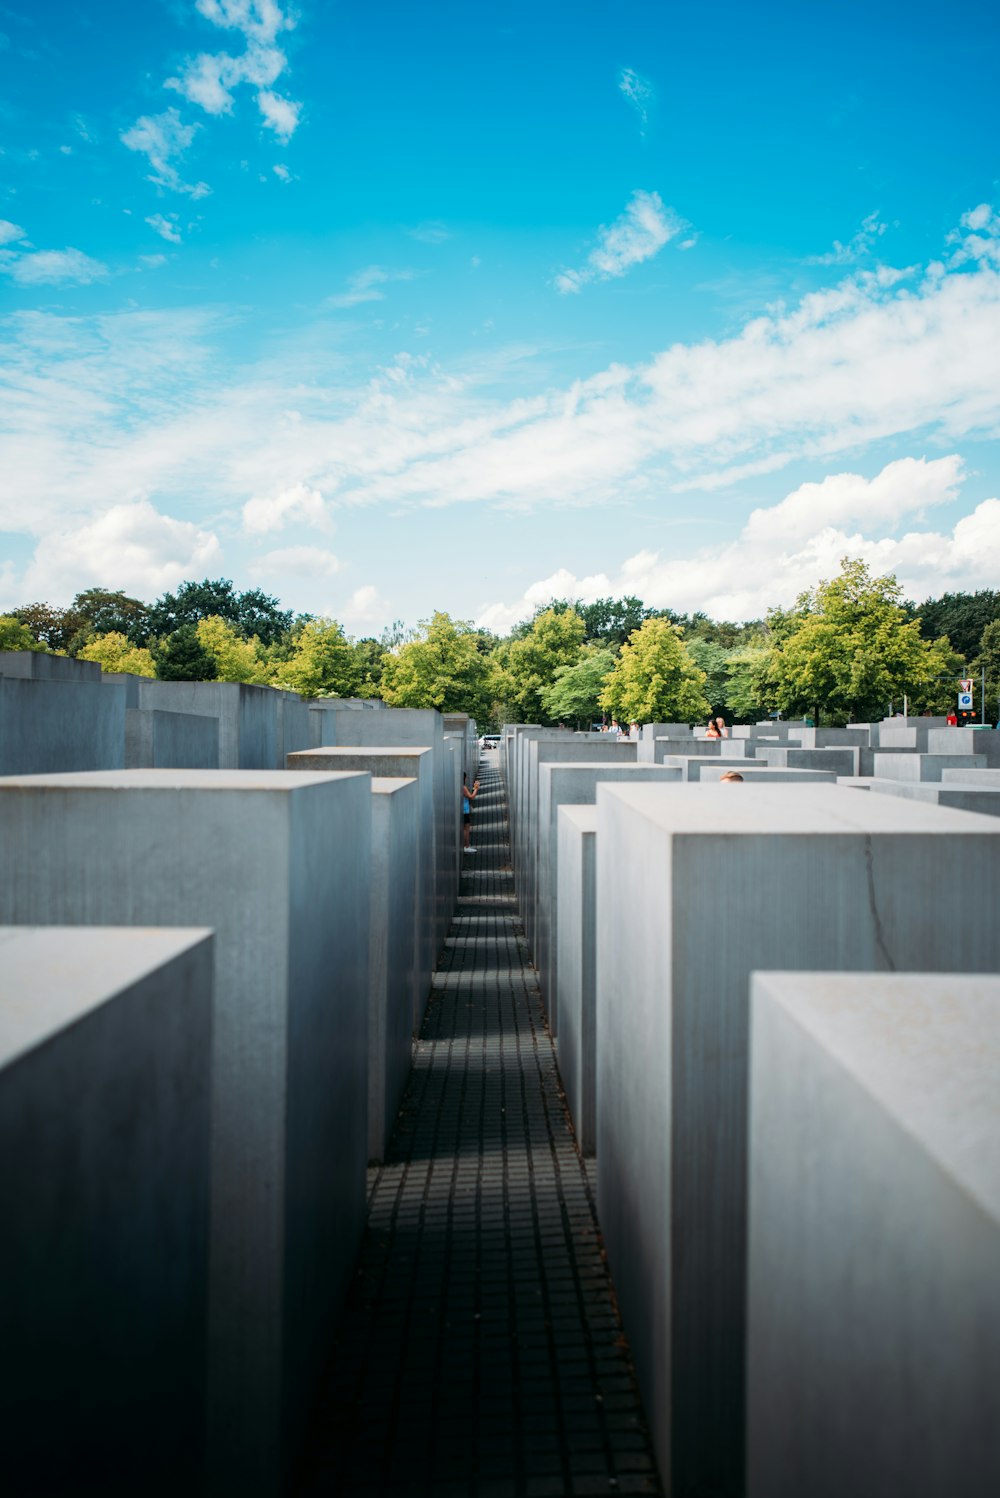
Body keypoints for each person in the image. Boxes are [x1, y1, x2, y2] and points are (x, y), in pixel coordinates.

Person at [462, 775, 479, 853]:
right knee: (467, 829)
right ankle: (467, 846)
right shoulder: (463, 788)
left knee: (465, 829)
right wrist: (476, 788)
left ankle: (466, 845)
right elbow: (471, 797)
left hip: (463, 810)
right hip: (465, 811)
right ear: (464, 778)